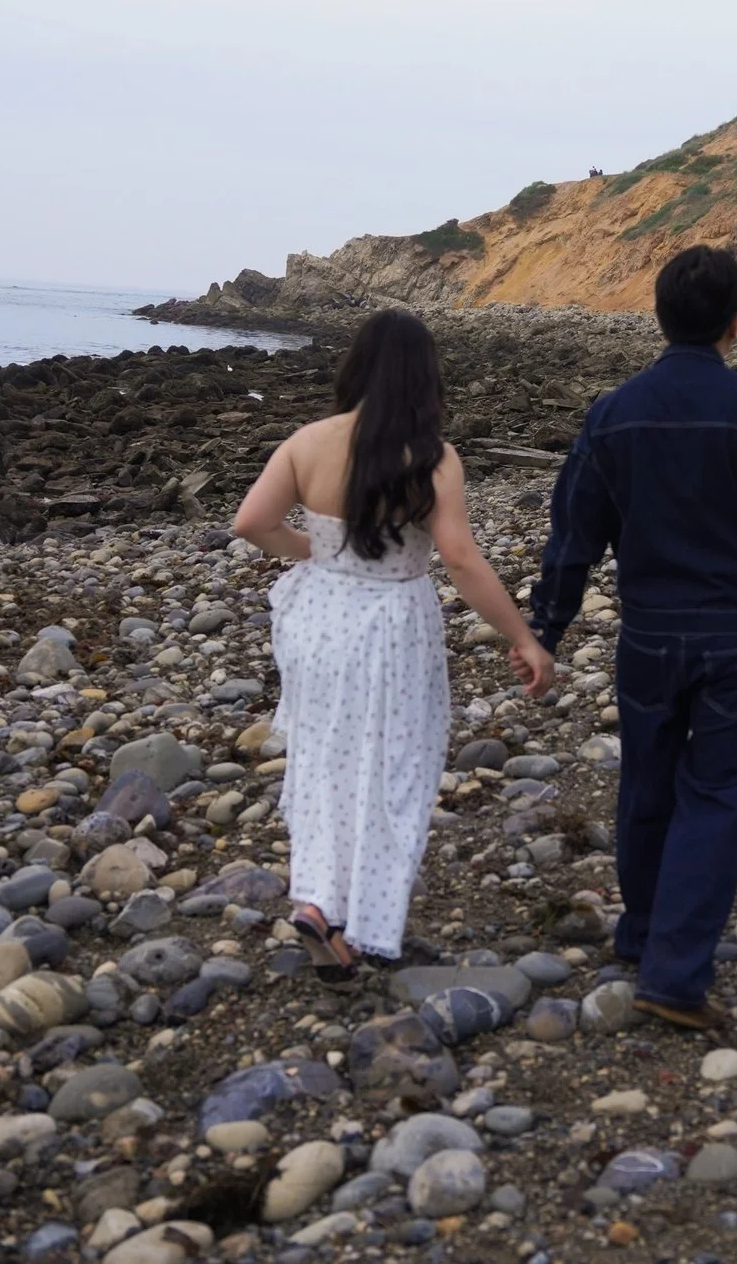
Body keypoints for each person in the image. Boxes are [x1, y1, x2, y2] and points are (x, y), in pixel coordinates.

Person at [530, 245, 737, 1029]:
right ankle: (674, 975)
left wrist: (546, 625)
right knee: (716, 794)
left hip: (648, 636)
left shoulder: (616, 413)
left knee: (649, 780)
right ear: (736, 320)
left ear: (660, 315)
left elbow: (574, 533)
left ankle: (645, 933)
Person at [234, 310, 555, 982]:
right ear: (423, 376)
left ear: (356, 365)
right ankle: (355, 914)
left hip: (319, 621)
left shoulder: (307, 441)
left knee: (324, 761)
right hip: (391, 629)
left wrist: (319, 548)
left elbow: (252, 522)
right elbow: (461, 560)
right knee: (393, 769)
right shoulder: (432, 456)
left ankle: (319, 903)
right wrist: (523, 636)